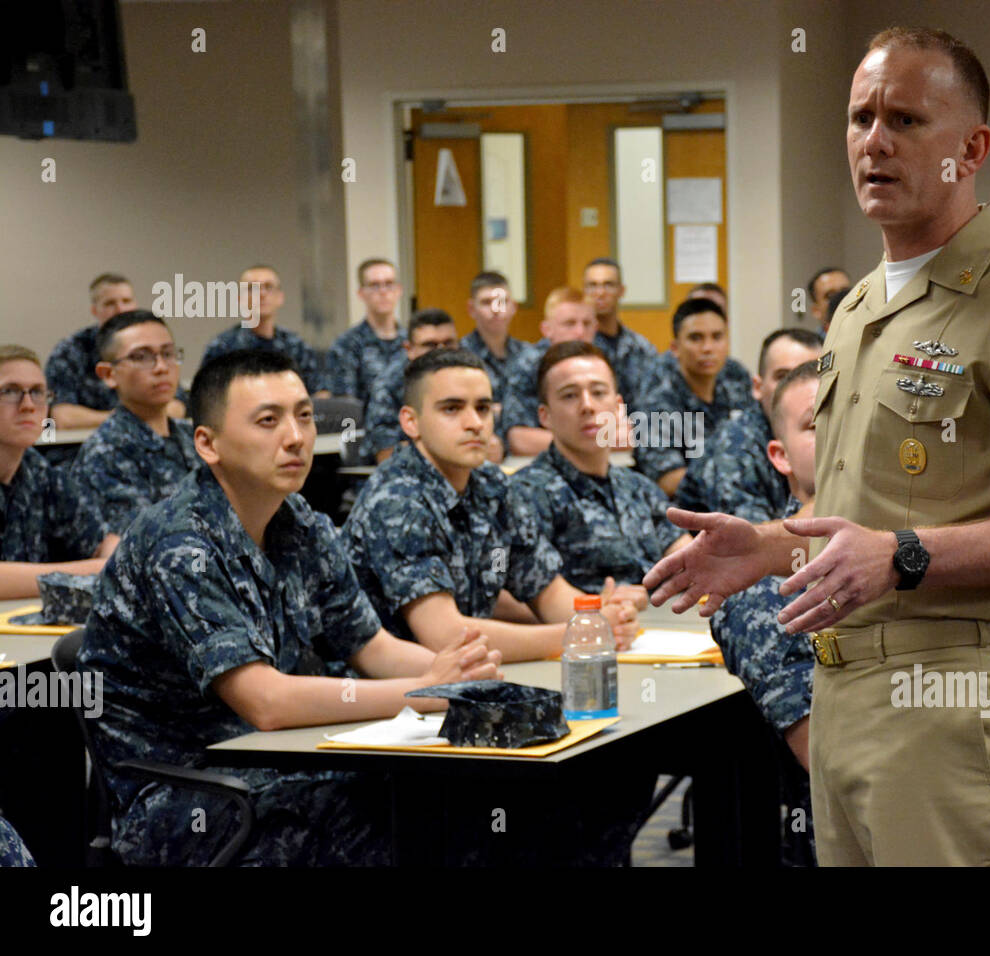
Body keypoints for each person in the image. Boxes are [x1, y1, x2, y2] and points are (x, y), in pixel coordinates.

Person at [645, 27, 990, 867]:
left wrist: (902, 556)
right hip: (840, 691)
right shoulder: (860, 306)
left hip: (951, 699)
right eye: (861, 117)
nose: (875, 142)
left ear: (972, 147)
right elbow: (858, 518)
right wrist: (762, 546)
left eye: (905, 120)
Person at [77, 349, 502, 866]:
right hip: (191, 795)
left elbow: (372, 647)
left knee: (467, 795)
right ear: (207, 444)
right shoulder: (178, 542)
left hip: (283, 761)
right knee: (404, 814)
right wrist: (423, 691)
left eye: (303, 415)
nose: (296, 436)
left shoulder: (298, 520)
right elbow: (267, 702)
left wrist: (462, 677)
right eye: (267, 421)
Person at [343, 348, 641, 663]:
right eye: (452, 409)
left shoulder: (492, 486)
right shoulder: (397, 498)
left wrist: (602, 615)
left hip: (468, 678)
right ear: (411, 422)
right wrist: (579, 633)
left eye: (483, 408)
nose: (474, 423)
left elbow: (549, 594)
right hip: (393, 694)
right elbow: (444, 635)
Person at [708, 360, 820, 865]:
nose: (842, 436)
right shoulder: (760, 588)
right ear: (781, 456)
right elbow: (828, 758)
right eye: (817, 424)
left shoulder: (911, 550)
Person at [509, 342, 690, 594]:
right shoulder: (524, 495)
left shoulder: (639, 488)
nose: (587, 406)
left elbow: (687, 560)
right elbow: (504, 597)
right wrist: (598, 607)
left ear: (618, 408)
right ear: (544, 416)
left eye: (598, 392)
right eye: (569, 395)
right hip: (584, 628)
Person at [0, 345, 117, 599]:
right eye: (9, 391)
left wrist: (110, 559)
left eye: (38, 392)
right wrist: (89, 571)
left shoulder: (36, 470)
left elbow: (103, 542)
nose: (28, 405)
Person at [70, 311, 201, 535]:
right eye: (142, 357)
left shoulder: (195, 436)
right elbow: (148, 543)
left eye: (168, 353)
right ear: (109, 374)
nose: (161, 367)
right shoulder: (104, 453)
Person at [675, 327, 822, 520]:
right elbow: (753, 540)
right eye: (784, 377)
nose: (798, 390)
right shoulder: (734, 447)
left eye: (811, 375)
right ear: (758, 387)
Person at [632, 297, 759, 497]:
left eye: (717, 337)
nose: (708, 348)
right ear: (675, 348)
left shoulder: (736, 376)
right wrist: (736, 479)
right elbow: (666, 479)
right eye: (696, 338)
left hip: (740, 497)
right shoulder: (656, 394)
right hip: (684, 510)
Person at [48, 273, 185, 428]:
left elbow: (176, 408)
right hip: (81, 443)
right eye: (110, 303)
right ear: (95, 310)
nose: (120, 309)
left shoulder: (152, 344)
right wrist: (130, 418)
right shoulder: (70, 351)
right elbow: (64, 418)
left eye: (126, 301)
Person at [199, 264, 328, 396]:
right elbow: (206, 397)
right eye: (252, 288)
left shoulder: (297, 347)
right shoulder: (222, 348)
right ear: (239, 298)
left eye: (268, 287)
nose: (262, 294)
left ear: (280, 297)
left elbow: (320, 394)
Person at [502, 287, 599, 455]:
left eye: (587, 324)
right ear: (547, 330)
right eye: (569, 324)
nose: (580, 332)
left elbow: (627, 433)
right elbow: (519, 439)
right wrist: (588, 441)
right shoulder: (529, 365)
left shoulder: (601, 364)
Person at [361, 308, 461, 462]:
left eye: (448, 343)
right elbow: (386, 455)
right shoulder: (388, 386)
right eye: (430, 345)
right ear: (410, 349)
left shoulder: (465, 380)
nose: (441, 352)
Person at [326, 258, 407, 409]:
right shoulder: (346, 345)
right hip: (365, 429)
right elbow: (345, 407)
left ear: (399, 290)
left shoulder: (412, 342)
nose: (383, 292)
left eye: (389, 284)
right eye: (374, 285)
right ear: (361, 293)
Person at [583, 258, 660, 410]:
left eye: (608, 285)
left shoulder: (642, 348)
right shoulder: (577, 345)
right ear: (585, 291)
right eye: (593, 286)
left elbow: (655, 400)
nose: (600, 293)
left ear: (621, 291)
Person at [458, 271, 527, 410]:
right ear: (471, 309)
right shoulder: (458, 356)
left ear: (513, 307)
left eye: (501, 301)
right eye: (486, 302)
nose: (495, 309)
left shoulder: (530, 355)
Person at [806, 267, 851, 332]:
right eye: (830, 295)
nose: (841, 298)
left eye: (845, 291)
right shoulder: (815, 342)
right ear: (816, 311)